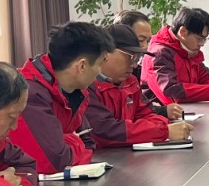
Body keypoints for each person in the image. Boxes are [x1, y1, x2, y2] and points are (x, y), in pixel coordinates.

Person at [11, 22, 114, 174]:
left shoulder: (76, 93)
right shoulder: (30, 94)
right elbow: (55, 163)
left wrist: (67, 142)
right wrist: (74, 141)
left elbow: (89, 142)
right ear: (82, 66)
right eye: (99, 64)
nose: (100, 73)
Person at [87, 22, 193, 147]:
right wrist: (163, 131)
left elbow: (148, 114)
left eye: (138, 58)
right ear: (105, 53)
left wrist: (159, 129)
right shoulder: (87, 87)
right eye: (131, 57)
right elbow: (105, 131)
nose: (134, 65)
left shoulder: (130, 82)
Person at [141, 6, 209, 104]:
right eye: (200, 39)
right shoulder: (160, 53)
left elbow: (204, 78)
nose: (202, 44)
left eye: (205, 39)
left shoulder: (189, 51)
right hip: (160, 112)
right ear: (183, 32)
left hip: (186, 109)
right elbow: (171, 91)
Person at [113, 9, 184, 121]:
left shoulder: (133, 74)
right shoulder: (98, 83)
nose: (145, 47)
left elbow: (140, 109)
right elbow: (110, 126)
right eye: (141, 40)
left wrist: (161, 112)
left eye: (148, 41)